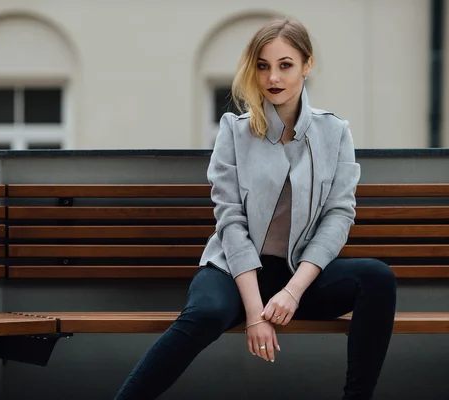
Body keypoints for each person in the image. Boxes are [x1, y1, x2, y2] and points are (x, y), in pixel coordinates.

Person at [115, 17, 397, 400]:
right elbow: (230, 221)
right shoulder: (234, 130)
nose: (273, 78)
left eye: (285, 65)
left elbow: (338, 216)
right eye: (263, 66)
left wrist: (293, 291)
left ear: (307, 65)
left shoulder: (336, 133)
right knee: (207, 313)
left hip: (298, 277)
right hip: (234, 270)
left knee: (376, 278)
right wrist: (254, 314)